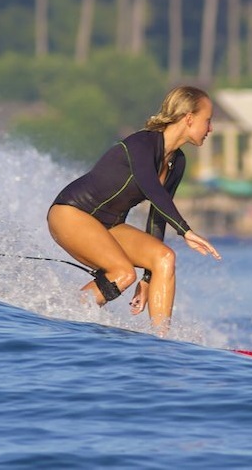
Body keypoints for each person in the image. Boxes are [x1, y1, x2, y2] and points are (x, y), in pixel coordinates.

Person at [47, 85, 222, 333]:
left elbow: (157, 217)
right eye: (208, 120)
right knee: (123, 273)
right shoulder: (142, 143)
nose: (210, 128)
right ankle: (58, 317)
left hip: (109, 226)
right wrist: (185, 231)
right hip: (72, 213)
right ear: (189, 118)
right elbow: (150, 185)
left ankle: (162, 343)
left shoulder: (177, 162)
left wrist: (149, 279)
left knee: (164, 258)